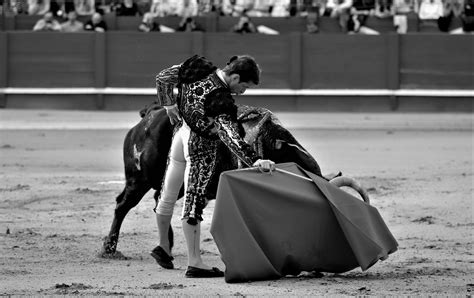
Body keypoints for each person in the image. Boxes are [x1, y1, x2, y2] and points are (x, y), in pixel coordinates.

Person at [151, 55, 275, 278]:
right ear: (235, 76)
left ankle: (163, 246)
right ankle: (195, 262)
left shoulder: (197, 69)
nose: (242, 92)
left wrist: (168, 104)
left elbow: (163, 78)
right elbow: (230, 136)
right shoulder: (221, 99)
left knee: (167, 193)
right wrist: (255, 160)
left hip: (180, 135)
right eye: (244, 86)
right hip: (199, 146)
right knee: (193, 200)